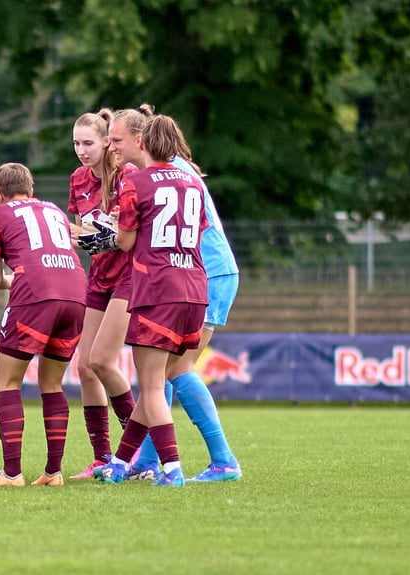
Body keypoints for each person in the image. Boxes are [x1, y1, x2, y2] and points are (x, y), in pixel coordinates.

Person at [95, 114, 209, 487]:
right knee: (153, 385)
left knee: (154, 386)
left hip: (157, 290)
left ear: (142, 143)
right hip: (194, 289)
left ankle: (173, 470)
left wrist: (106, 237)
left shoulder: (136, 182)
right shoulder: (192, 182)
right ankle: (121, 462)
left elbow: (126, 242)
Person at [127, 117, 243, 482]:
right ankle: (146, 461)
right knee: (160, 374)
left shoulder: (161, 173)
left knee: (177, 369)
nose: (114, 148)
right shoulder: (177, 170)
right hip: (197, 275)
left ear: (140, 140)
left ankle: (224, 460)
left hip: (203, 274)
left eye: (117, 140)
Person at [0, 163, 87, 487]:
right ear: (31, 189)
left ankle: (11, 474)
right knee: (52, 384)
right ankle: (54, 472)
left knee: (7, 382)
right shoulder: (51, 209)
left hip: (36, 295)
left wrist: (21, 277)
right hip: (76, 291)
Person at [65, 109, 137, 479]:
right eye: (76, 143)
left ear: (107, 142)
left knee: (103, 361)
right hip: (99, 278)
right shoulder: (78, 178)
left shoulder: (127, 175)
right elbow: (79, 235)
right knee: (84, 366)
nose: (81, 150)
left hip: (128, 277)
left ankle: (136, 454)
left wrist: (100, 236)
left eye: (88, 143)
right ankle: (103, 458)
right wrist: (87, 237)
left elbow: (128, 239)